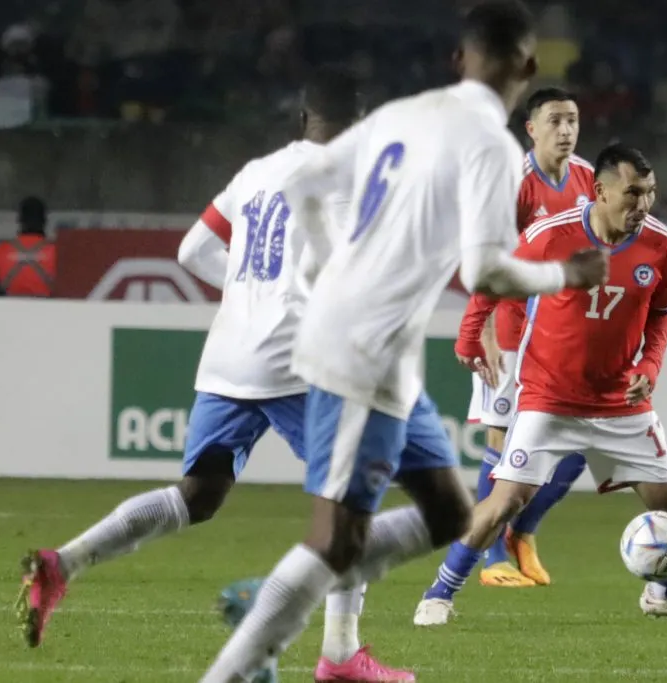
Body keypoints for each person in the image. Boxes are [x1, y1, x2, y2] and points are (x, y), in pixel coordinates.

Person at [197, 2, 610, 680]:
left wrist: (324, 266)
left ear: (458, 60)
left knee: (450, 509)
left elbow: (305, 181)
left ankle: (314, 633)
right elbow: (484, 270)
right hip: (361, 346)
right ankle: (264, 639)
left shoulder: (400, 116)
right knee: (343, 531)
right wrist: (564, 272)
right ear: (529, 67)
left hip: (382, 349)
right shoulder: (492, 148)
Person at [14, 66, 415, 683]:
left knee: (198, 496)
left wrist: (255, 291)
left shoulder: (256, 172)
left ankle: (62, 564)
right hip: (295, 361)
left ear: (302, 119)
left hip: (230, 356)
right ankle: (340, 656)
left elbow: (191, 251)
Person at [414, 143, 667, 629]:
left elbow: (662, 314)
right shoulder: (551, 236)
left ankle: (662, 596)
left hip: (620, 402)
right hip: (548, 400)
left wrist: (650, 366)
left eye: (651, 193)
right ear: (600, 191)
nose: (642, 205)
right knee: (503, 502)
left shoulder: (664, 247)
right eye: (632, 193)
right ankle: (439, 593)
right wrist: (470, 335)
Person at [458, 86, 594, 588]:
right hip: (512, 335)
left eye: (572, 120)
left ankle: (523, 532)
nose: (565, 129)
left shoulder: (587, 180)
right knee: (502, 444)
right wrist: (486, 336)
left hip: (563, 336)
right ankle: (491, 557)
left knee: (583, 445)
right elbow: (484, 261)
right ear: (531, 129)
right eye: (555, 120)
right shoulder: (513, 185)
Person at [0, 196, 56, 297]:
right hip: (48, 311)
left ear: (20, 220)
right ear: (44, 221)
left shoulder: (1, 251)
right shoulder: (58, 252)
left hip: (8, 311)